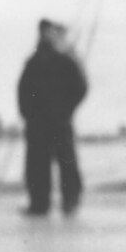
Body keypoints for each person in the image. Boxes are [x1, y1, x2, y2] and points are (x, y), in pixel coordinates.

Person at [16, 19, 86, 214]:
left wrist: (67, 109)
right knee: (38, 163)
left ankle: (69, 200)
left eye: (49, 32)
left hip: (58, 119)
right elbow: (23, 90)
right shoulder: (34, 61)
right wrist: (27, 113)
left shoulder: (64, 60)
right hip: (39, 121)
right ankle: (40, 203)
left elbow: (80, 87)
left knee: (65, 161)